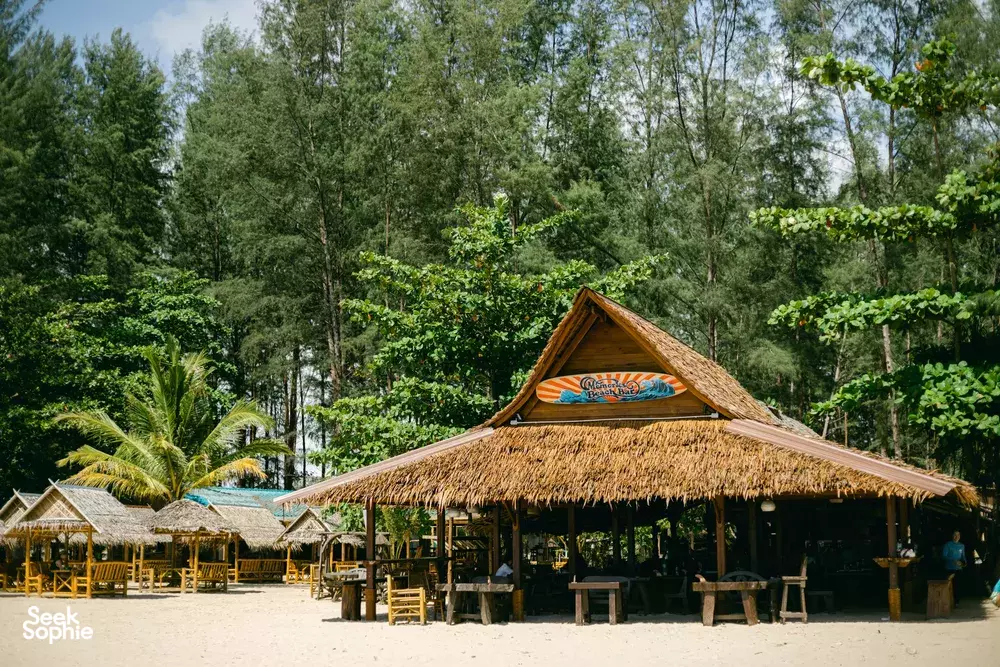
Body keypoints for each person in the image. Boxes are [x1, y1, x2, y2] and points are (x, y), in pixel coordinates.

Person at [942, 530, 967, 604]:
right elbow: (944, 556)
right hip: (949, 569)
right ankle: (947, 601)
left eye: (958, 535)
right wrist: (953, 560)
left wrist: (964, 563)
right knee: (949, 586)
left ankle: (956, 602)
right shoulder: (948, 545)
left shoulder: (962, 546)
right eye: (955, 535)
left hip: (959, 569)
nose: (957, 537)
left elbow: (963, 557)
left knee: (958, 586)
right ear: (952, 536)